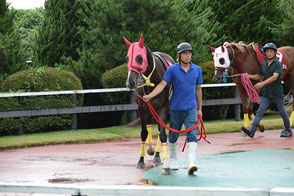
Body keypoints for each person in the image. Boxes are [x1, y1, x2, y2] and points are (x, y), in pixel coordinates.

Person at [143, 42, 203, 174]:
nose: (188, 56)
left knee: (192, 135)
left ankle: (191, 163)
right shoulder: (172, 69)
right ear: (179, 56)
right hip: (176, 109)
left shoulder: (197, 70)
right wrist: (150, 96)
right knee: (173, 136)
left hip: (191, 109)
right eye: (185, 54)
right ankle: (174, 161)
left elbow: (198, 90)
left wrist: (200, 109)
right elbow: (162, 84)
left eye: (189, 53)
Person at [241, 43, 293, 138]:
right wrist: (249, 76)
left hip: (277, 93)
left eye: (271, 51)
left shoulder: (278, 64)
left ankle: (288, 130)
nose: (269, 53)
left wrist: (261, 84)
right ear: (265, 53)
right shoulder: (264, 65)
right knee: (260, 111)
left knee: (282, 112)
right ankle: (252, 131)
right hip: (267, 94)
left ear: (274, 53)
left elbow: (274, 77)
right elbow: (260, 76)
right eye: (267, 51)